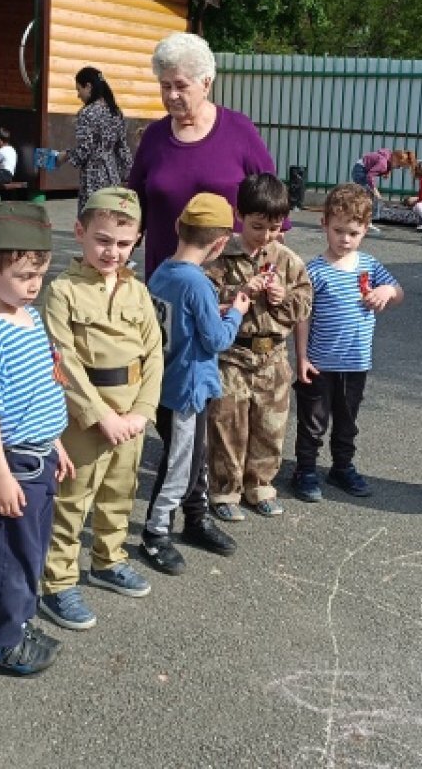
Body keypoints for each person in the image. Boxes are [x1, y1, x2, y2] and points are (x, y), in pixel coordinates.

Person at [38, 188, 162, 629]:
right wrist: (100, 416)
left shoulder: (138, 292)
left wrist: (142, 412)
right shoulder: (63, 291)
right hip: (85, 418)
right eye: (103, 240)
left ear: (137, 241)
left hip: (130, 416)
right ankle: (57, 583)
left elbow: (154, 355)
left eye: (124, 243)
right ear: (80, 233)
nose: (113, 251)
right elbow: (62, 360)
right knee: (72, 499)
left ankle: (108, 560)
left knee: (119, 492)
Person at [0, 202, 75, 675]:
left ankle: (19, 622)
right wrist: (1, 476)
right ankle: (1, 642)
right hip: (14, 462)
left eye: (40, 274)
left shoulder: (27, 316)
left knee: (32, 547)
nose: (35, 285)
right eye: (26, 275)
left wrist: (57, 443)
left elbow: (46, 385)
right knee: (10, 552)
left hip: (40, 453)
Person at [145, 193, 251, 572]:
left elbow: (182, 321)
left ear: (178, 227)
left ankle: (196, 518)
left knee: (195, 457)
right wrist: (236, 312)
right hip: (186, 389)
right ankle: (156, 534)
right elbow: (217, 340)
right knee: (180, 465)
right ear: (221, 243)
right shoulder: (198, 283)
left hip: (169, 382)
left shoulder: (162, 271)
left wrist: (216, 311)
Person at [128, 32, 281, 279]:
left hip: (231, 280)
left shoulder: (239, 130)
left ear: (206, 83)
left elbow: (270, 200)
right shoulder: (154, 136)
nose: (171, 95)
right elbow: (134, 206)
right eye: (165, 86)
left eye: (181, 86)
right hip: (167, 277)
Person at [204, 173, 312, 521]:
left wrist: (283, 298)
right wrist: (239, 293)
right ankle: (224, 489)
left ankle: (260, 485)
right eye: (257, 226)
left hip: (272, 356)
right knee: (228, 425)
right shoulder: (221, 256)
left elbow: (305, 303)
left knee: (270, 425)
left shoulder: (287, 260)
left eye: (274, 227)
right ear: (240, 215)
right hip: (231, 354)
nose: (266, 235)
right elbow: (201, 301)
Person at [291, 183, 403, 503]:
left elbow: (399, 293)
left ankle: (342, 466)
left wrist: (387, 292)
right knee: (313, 422)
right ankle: (306, 469)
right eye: (338, 230)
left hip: (355, 363)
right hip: (320, 363)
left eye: (353, 233)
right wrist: (301, 357)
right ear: (324, 223)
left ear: (365, 230)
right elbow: (303, 316)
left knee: (347, 421)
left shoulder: (369, 265)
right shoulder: (314, 271)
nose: (345, 239)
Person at [58, 67, 133, 212]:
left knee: (91, 223)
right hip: (113, 178)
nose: (78, 95)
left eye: (78, 89)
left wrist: (65, 155)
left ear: (88, 86)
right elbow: (123, 148)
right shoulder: (115, 111)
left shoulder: (87, 113)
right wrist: (129, 175)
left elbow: (84, 150)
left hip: (93, 179)